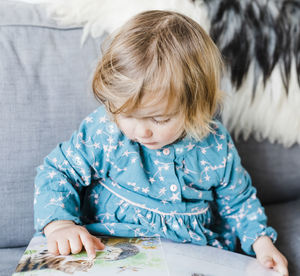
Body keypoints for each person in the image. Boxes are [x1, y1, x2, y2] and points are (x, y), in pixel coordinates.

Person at [34, 10, 288, 276]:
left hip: (190, 255)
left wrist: (261, 243)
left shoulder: (214, 146)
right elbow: (58, 172)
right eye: (127, 114)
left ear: (196, 108)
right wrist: (60, 224)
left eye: (159, 119)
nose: (141, 131)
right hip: (109, 248)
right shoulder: (105, 131)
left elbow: (238, 201)